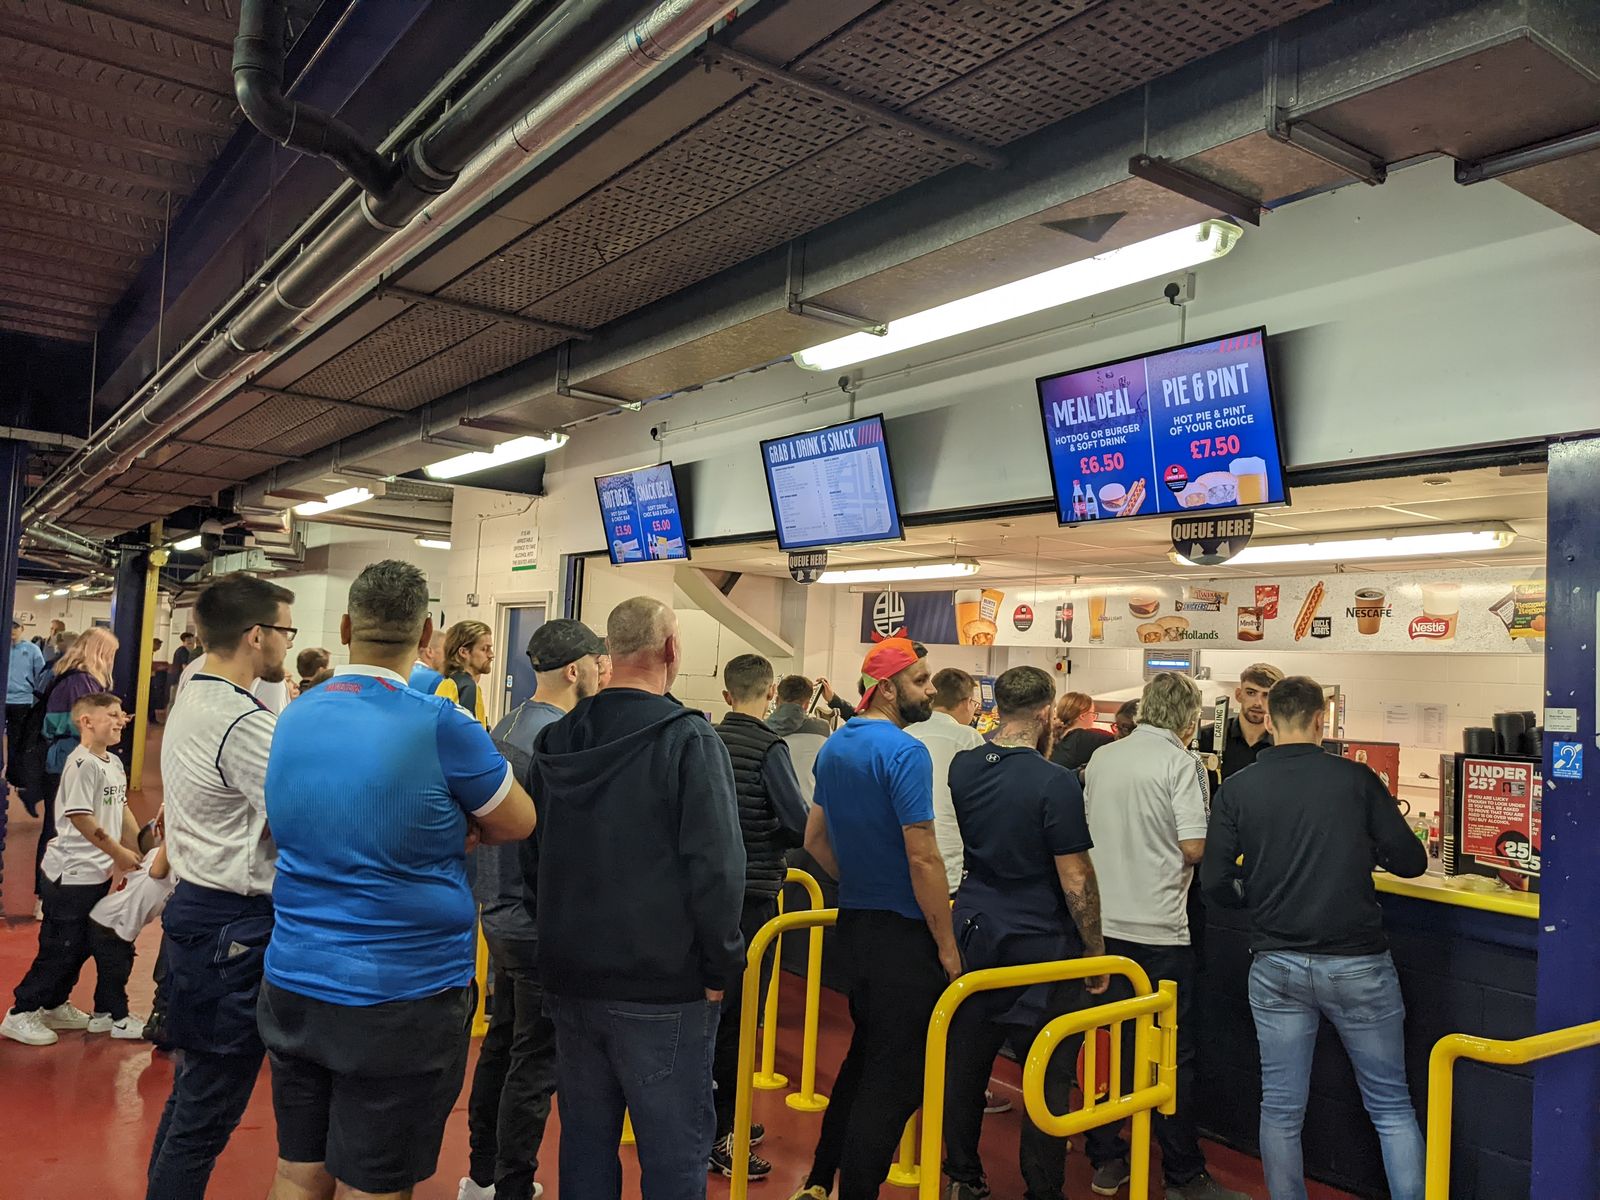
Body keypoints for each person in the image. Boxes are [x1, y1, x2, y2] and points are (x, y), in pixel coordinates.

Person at [259, 560, 537, 1200]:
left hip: (295, 979)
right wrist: (456, 826)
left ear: (348, 625)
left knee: (297, 1171)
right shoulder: (443, 724)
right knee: (375, 1183)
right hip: (401, 996)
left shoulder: (293, 717)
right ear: (428, 631)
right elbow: (518, 820)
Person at [529, 596, 743, 1200]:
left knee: (586, 1147)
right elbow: (716, 868)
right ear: (671, 651)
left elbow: (532, 852)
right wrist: (720, 965)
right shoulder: (690, 740)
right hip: (661, 986)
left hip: (570, 978)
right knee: (673, 1157)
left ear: (608, 656)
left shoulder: (558, 737)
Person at [1202, 676, 1428, 1200]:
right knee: (1391, 1107)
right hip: (1358, 965)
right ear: (1320, 719)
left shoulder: (1238, 788)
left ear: (1271, 720)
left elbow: (1214, 882)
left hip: (1276, 964)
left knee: (1281, 1109)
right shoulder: (1356, 780)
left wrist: (1255, 897)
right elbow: (1413, 863)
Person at [789, 637, 961, 1200]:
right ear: (888, 688)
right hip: (904, 937)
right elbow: (924, 855)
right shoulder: (906, 752)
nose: (931, 690)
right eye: (921, 681)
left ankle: (819, 1179)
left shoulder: (836, 747)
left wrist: (863, 877)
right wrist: (946, 943)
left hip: (857, 929)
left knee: (866, 1059)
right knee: (896, 1079)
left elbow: (815, 837)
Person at [147, 573, 295, 1200]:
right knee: (210, 1105)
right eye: (285, 632)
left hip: (202, 914)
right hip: (232, 926)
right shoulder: (240, 722)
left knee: (194, 1093)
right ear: (257, 635)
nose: (289, 645)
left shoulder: (194, 690)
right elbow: (302, 820)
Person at [943, 666, 1107, 1200]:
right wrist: (1095, 947)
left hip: (975, 928)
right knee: (1048, 1072)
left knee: (967, 1064)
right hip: (1041, 943)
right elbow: (1075, 873)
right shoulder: (1054, 780)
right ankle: (1042, 1189)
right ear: (1044, 714)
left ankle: (963, 1178)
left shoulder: (963, 766)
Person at [459, 618, 608, 1200]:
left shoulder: (507, 726)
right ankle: (513, 1185)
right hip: (534, 919)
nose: (604, 670)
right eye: (598, 661)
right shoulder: (558, 741)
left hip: (496, 913)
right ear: (576, 670)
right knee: (535, 1061)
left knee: (504, 1042)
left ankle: (483, 1174)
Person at [1082, 672, 1246, 1200]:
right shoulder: (1185, 764)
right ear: (1188, 718)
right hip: (1161, 931)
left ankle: (1105, 1156)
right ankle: (1182, 1173)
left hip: (1104, 927)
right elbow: (1195, 847)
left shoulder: (1104, 758)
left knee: (1109, 1043)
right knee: (1172, 1054)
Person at [708, 654, 809, 1180]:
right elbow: (795, 821)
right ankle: (721, 1134)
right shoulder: (771, 747)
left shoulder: (705, 740)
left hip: (705, 896)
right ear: (770, 693)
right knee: (740, 1020)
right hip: (753, 898)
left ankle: (713, 1118)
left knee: (710, 1015)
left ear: (727, 696)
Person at [0, 692, 141, 1046]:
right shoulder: (82, 764)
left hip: (96, 873)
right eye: (111, 714)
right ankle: (21, 1012)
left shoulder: (112, 762)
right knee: (60, 946)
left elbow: (120, 808)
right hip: (70, 875)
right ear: (86, 722)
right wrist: (119, 852)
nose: (120, 719)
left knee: (79, 945)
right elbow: (80, 816)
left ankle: (53, 1004)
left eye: (121, 713)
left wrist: (139, 842)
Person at [36, 626, 119, 907]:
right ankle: (51, 894)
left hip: (59, 758)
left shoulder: (62, 673)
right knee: (62, 828)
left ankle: (47, 892)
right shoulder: (83, 682)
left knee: (57, 824)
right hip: (68, 759)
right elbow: (75, 723)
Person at [903, 667, 986, 897]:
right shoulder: (969, 738)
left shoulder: (905, 733)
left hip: (904, 862)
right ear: (966, 702)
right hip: (949, 866)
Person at [1196, 662, 1284, 786]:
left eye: (1267, 695)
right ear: (1238, 695)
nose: (1258, 703)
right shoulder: (1205, 738)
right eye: (1251, 693)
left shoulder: (1283, 745)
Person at [767, 674, 832, 807]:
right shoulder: (823, 730)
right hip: (807, 811)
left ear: (778, 700)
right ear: (807, 704)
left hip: (770, 812)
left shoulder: (761, 728)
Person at [7, 619, 44, 811]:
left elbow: (40, 674)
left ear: (22, 629)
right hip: (2, 699)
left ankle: (15, 775)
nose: (12, 631)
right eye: (10, 627)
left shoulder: (32, 650)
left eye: (16, 627)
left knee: (17, 740)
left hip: (22, 700)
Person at [438, 619, 494, 726]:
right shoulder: (467, 687)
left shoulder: (449, 682)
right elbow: (468, 738)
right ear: (463, 652)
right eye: (484, 649)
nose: (491, 655)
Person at [1050, 691, 1114, 774]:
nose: (1093, 719)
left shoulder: (1049, 740)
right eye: (1093, 714)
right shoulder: (1093, 739)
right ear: (1083, 716)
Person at [410, 628, 445, 694]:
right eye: (446, 650)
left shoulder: (404, 673)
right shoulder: (438, 681)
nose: (449, 657)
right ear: (429, 651)